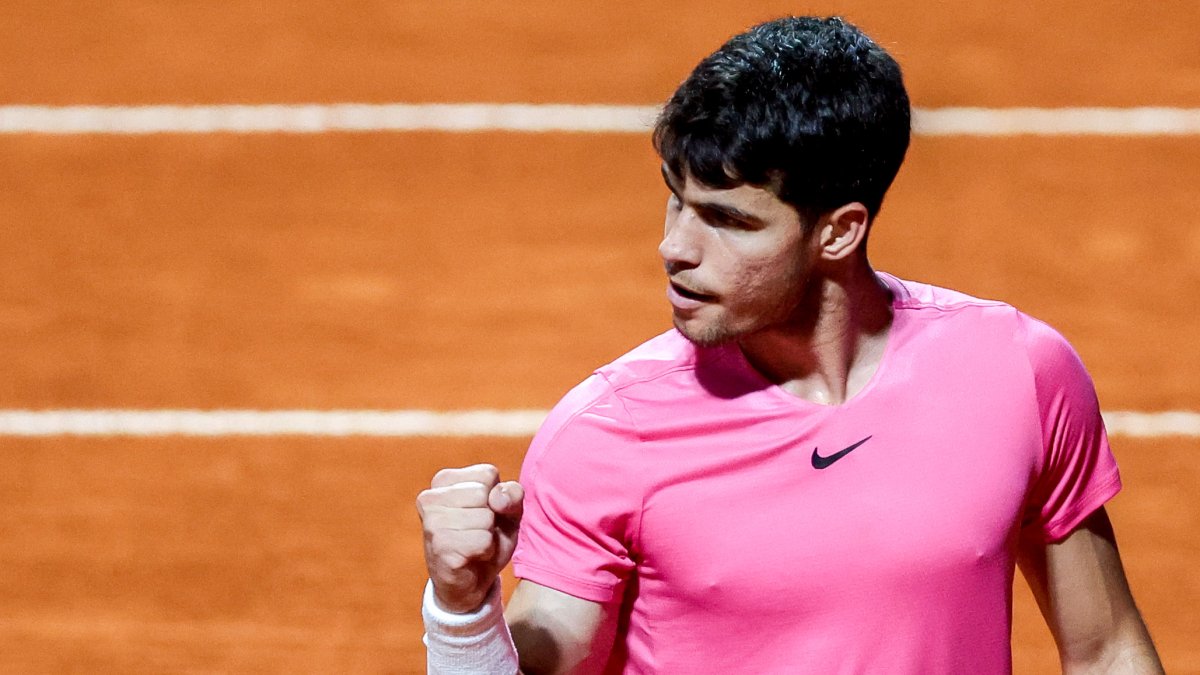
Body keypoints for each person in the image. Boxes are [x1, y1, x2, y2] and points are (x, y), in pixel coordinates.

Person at [416, 15, 1164, 674]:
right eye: (676, 198)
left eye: (729, 221)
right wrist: (459, 610)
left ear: (839, 230)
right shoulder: (610, 431)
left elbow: (1103, 649)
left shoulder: (1017, 370)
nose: (674, 246)